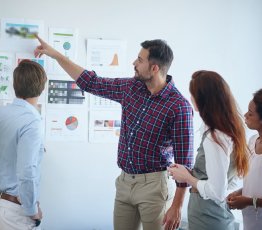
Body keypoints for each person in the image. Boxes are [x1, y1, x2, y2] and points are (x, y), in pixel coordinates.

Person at [35, 35, 194, 230]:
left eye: (140, 60)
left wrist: (177, 206)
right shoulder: (131, 88)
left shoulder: (179, 107)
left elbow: (185, 163)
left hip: (155, 186)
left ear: (155, 68)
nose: (134, 63)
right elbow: (91, 82)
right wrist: (56, 55)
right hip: (125, 182)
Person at [168, 71, 249, 230]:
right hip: (213, 215)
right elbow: (226, 179)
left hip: (207, 217)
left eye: (192, 95)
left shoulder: (215, 137)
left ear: (202, 100)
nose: (190, 98)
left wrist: (187, 177)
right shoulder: (230, 129)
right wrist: (193, 173)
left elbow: (217, 192)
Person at [0, 60, 47, 230]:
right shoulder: (32, 121)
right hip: (16, 212)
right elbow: (27, 170)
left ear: (15, 85)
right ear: (42, 87)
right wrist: (32, 210)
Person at [227, 88, 262, 229]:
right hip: (250, 222)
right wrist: (240, 192)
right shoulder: (253, 140)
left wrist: (248, 201)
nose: (245, 115)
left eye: (251, 113)